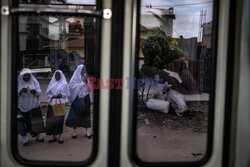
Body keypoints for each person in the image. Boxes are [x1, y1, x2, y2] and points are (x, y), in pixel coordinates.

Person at [17, 68, 44, 146]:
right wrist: (21, 91)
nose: (26, 77)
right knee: (23, 123)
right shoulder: (19, 83)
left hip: (34, 105)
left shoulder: (34, 82)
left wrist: (34, 92)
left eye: (28, 75)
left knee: (36, 121)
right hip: (22, 107)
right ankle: (24, 139)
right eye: (25, 76)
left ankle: (38, 136)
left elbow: (39, 92)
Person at [66, 64, 92, 139]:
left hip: (85, 98)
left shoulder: (85, 77)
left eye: (85, 69)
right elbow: (72, 88)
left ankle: (87, 131)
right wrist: (83, 82)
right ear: (79, 70)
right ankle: (74, 132)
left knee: (86, 115)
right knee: (75, 116)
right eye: (83, 69)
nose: (84, 71)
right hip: (77, 100)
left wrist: (87, 80)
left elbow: (89, 88)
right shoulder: (74, 79)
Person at [45, 70, 70, 144]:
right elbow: (47, 94)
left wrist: (61, 95)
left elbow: (67, 94)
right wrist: (52, 96)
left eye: (58, 75)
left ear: (61, 76)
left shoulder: (64, 84)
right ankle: (53, 136)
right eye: (56, 75)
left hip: (60, 104)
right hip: (52, 104)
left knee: (60, 121)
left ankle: (60, 137)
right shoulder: (52, 83)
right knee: (51, 121)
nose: (57, 76)